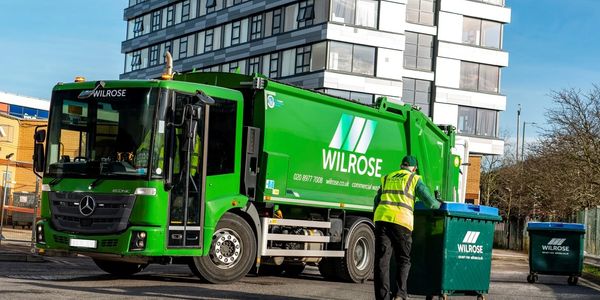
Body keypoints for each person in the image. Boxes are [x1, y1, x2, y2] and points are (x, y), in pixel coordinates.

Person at [373, 155, 441, 300]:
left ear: (401, 166)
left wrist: (377, 219)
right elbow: (429, 201)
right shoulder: (414, 179)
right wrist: (438, 205)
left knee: (382, 261)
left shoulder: (387, 177)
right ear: (414, 168)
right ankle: (400, 294)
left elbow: (376, 201)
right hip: (401, 222)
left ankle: (382, 297)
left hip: (382, 220)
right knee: (403, 259)